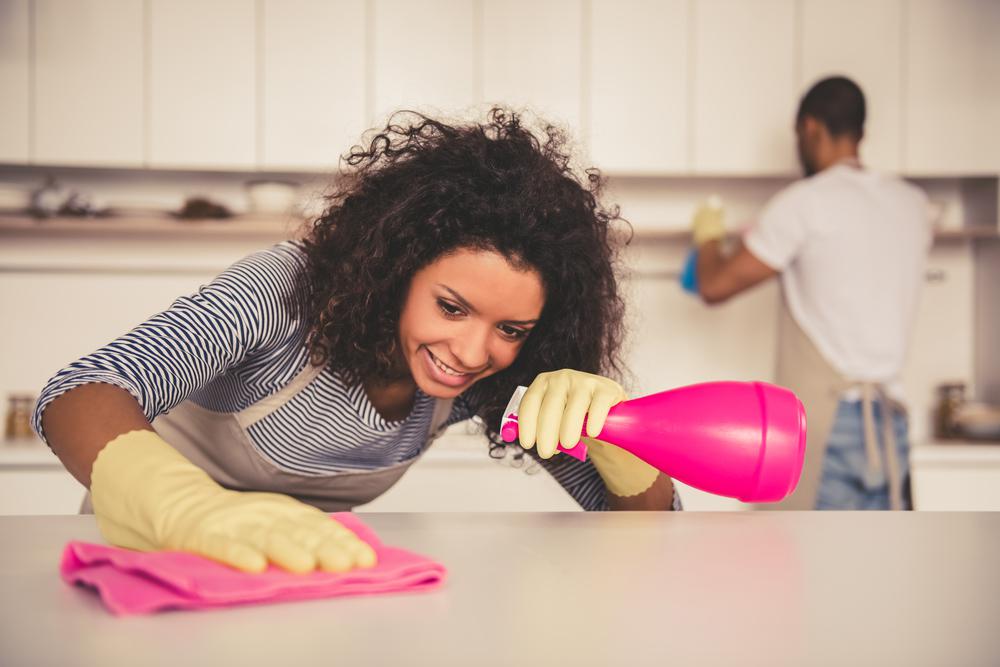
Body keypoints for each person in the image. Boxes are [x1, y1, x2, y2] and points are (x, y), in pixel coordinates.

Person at [34, 109, 678, 575]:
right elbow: (78, 392)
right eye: (451, 307)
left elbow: (643, 528)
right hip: (152, 563)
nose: (474, 351)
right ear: (398, 268)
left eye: (511, 329)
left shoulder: (487, 383)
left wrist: (617, 432)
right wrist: (184, 508)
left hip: (295, 579)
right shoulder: (287, 292)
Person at [685, 76, 931, 510]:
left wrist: (708, 236)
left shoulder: (803, 204)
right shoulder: (913, 205)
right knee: (883, 566)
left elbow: (715, 285)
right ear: (861, 133)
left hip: (826, 425)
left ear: (810, 129)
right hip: (891, 421)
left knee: (809, 564)